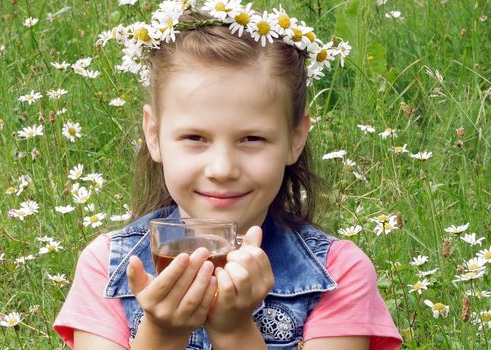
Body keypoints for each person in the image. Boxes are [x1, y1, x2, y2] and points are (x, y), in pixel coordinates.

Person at [54, 1, 402, 349]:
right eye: (195, 138)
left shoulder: (339, 273)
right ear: (154, 135)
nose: (222, 169)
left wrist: (234, 330)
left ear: (295, 139)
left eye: (252, 139)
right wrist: (162, 333)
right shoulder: (108, 266)